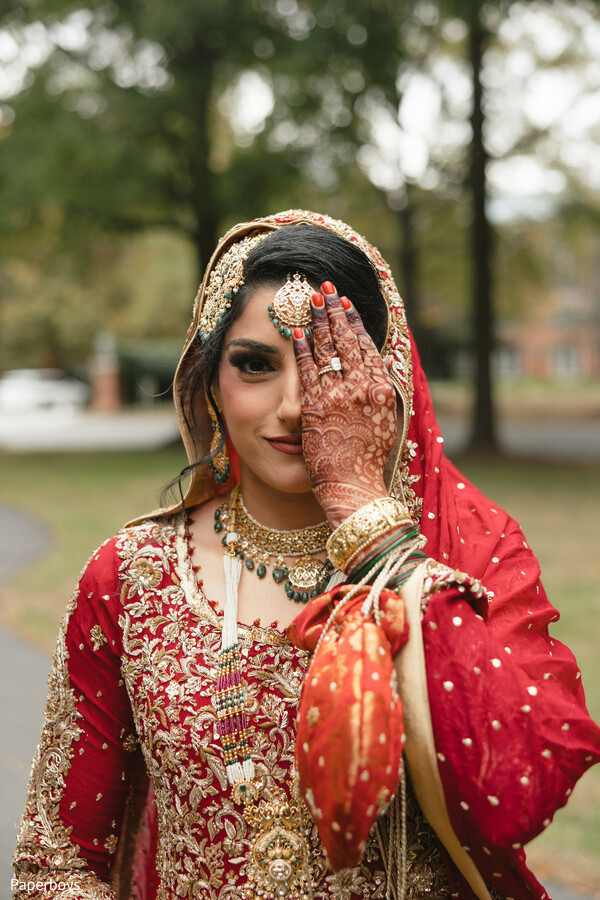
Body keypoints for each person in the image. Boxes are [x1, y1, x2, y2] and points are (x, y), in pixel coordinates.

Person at [12, 209, 600, 900]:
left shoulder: (467, 556)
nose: (295, 404)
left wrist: (366, 520)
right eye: (255, 364)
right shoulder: (133, 578)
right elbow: (57, 861)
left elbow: (521, 783)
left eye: (333, 365)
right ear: (207, 381)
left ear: (387, 384)